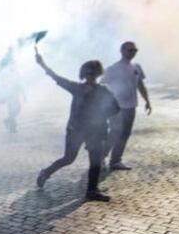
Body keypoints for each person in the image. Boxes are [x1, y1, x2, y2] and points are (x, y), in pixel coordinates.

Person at [34, 51, 120, 202]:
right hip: (76, 130)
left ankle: (92, 191)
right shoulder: (76, 88)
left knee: (95, 162)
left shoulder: (103, 91)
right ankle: (46, 172)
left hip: (95, 131)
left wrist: (101, 115)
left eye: (93, 73)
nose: (90, 76)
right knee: (68, 158)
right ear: (84, 74)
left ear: (97, 74)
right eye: (88, 73)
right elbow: (57, 77)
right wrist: (42, 64)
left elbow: (115, 108)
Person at [103, 41, 151, 170]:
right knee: (114, 133)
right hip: (116, 107)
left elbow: (140, 85)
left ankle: (115, 161)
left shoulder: (136, 67)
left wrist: (147, 101)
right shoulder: (112, 69)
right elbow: (102, 85)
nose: (132, 53)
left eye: (134, 51)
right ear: (122, 51)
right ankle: (101, 155)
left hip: (131, 106)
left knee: (125, 134)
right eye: (130, 50)